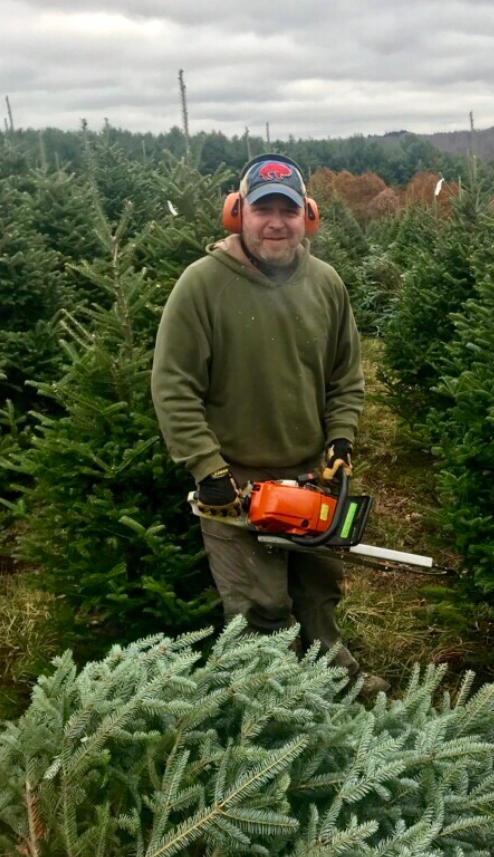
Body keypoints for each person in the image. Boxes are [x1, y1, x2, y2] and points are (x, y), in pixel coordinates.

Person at [151, 153, 388, 696]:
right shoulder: (201, 286)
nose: (276, 222)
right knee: (261, 609)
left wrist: (341, 437)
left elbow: (346, 377)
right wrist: (207, 468)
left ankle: (339, 690)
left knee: (317, 595)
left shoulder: (326, 283)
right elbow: (173, 385)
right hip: (237, 486)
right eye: (263, 209)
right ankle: (275, 718)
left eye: (287, 210)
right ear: (238, 213)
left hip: (312, 476)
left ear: (308, 216)